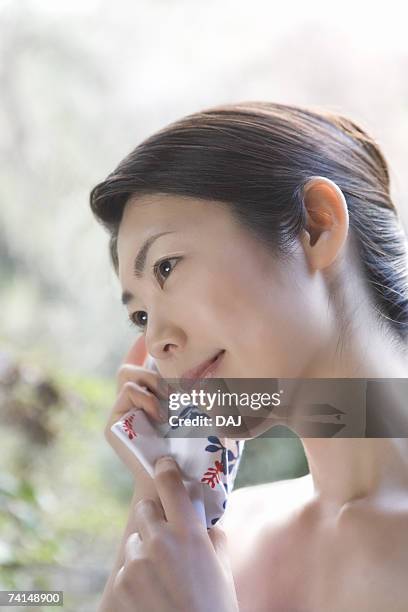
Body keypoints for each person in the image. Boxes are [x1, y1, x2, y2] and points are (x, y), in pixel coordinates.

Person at [89, 102, 408, 611]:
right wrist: (159, 487)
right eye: (141, 317)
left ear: (317, 227)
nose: (157, 343)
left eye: (167, 268)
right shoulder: (217, 542)